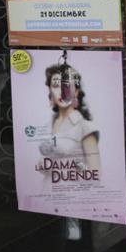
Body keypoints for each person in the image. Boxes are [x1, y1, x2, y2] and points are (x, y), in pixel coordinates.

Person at [38, 61, 99, 241]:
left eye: (68, 86)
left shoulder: (84, 127)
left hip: (75, 208)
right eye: (57, 85)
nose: (63, 92)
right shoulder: (46, 125)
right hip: (48, 208)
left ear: (77, 92)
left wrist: (76, 167)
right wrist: (45, 165)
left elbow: (95, 173)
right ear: (50, 92)